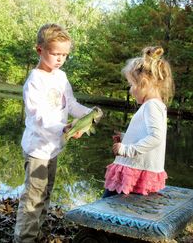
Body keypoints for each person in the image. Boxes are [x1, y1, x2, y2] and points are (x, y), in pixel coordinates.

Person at [14, 23, 102, 243]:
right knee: (33, 198)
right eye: (55, 53)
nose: (60, 59)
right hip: (37, 149)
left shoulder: (61, 77)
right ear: (40, 50)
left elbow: (70, 104)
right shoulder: (34, 81)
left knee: (45, 193)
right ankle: (24, 238)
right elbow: (39, 117)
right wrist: (63, 127)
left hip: (53, 149)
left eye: (65, 55)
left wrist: (89, 113)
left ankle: (37, 233)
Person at [103, 46, 175, 198]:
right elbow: (146, 134)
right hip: (136, 169)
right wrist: (125, 138)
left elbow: (156, 137)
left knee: (109, 206)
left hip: (133, 170)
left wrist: (127, 149)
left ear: (143, 83)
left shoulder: (151, 106)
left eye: (131, 85)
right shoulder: (156, 105)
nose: (130, 90)